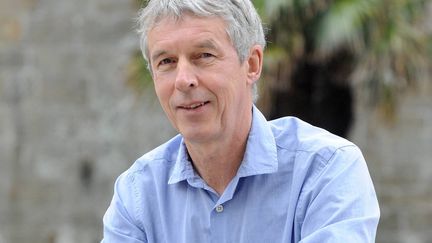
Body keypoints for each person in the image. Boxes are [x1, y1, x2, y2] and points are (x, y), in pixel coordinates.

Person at [102, 0, 380, 242]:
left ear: (252, 64)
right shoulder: (137, 193)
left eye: (204, 56)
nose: (183, 80)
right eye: (166, 62)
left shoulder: (326, 170)